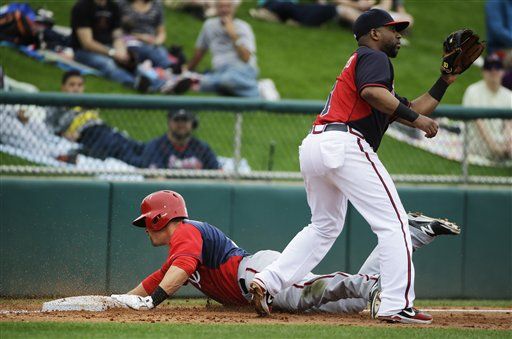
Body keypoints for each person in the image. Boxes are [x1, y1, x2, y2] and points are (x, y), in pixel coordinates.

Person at [248, 8, 466, 325]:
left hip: (316, 144)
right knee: (394, 224)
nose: (400, 36)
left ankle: (267, 282)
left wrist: (445, 80)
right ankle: (396, 303)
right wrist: (418, 121)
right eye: (394, 30)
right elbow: (374, 94)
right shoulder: (373, 58)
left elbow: (407, 106)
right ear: (374, 33)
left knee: (323, 226)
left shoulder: (368, 67)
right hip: (345, 144)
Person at [110, 190, 460, 314]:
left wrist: (150, 302)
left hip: (258, 275)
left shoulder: (185, 232)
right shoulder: (179, 251)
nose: (146, 228)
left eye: (147, 221)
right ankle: (409, 236)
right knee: (348, 307)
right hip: (257, 276)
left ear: (161, 217)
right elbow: (156, 281)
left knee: (310, 291)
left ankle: (374, 287)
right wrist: (118, 302)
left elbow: (178, 272)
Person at [70, 0, 189, 94]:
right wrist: (112, 53)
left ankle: (163, 85)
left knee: (132, 64)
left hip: (111, 47)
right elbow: (87, 43)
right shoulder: (82, 7)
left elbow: (117, 35)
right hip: (84, 52)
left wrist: (121, 51)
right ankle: (134, 83)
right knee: (108, 64)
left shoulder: (112, 6)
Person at [45, 71, 145, 163]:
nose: (76, 89)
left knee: (135, 146)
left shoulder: (86, 102)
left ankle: (152, 161)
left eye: (80, 85)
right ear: (63, 87)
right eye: (72, 85)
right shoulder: (56, 105)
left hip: (106, 130)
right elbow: (50, 129)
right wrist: (64, 134)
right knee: (123, 150)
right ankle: (146, 166)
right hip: (88, 134)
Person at [187, 0, 259, 97]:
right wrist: (187, 70)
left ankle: (255, 91)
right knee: (224, 81)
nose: (224, 10)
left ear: (234, 8)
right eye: (221, 7)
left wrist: (233, 34)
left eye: (228, 6)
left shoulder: (243, 27)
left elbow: (246, 58)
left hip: (242, 70)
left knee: (227, 80)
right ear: (216, 8)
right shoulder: (209, 25)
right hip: (220, 71)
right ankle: (244, 90)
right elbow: (199, 52)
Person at [462, 54, 512, 163]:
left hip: (502, 141)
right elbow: (479, 123)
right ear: (483, 72)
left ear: (503, 71)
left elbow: (509, 125)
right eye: (489, 68)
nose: (493, 71)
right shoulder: (473, 91)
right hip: (477, 144)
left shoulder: (509, 95)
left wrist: (508, 143)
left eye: (497, 67)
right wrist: (494, 147)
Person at [135, 109, 221, 169]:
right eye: (177, 119)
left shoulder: (202, 148)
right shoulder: (155, 146)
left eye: (185, 119)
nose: (181, 124)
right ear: (169, 122)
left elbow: (219, 174)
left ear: (193, 123)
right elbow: (155, 180)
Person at [119, 0, 178, 71]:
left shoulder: (157, 4)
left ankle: (170, 71)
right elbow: (116, 29)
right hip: (129, 40)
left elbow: (161, 32)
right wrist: (140, 37)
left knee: (159, 51)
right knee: (149, 51)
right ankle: (172, 70)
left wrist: (156, 42)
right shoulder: (123, 3)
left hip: (150, 42)